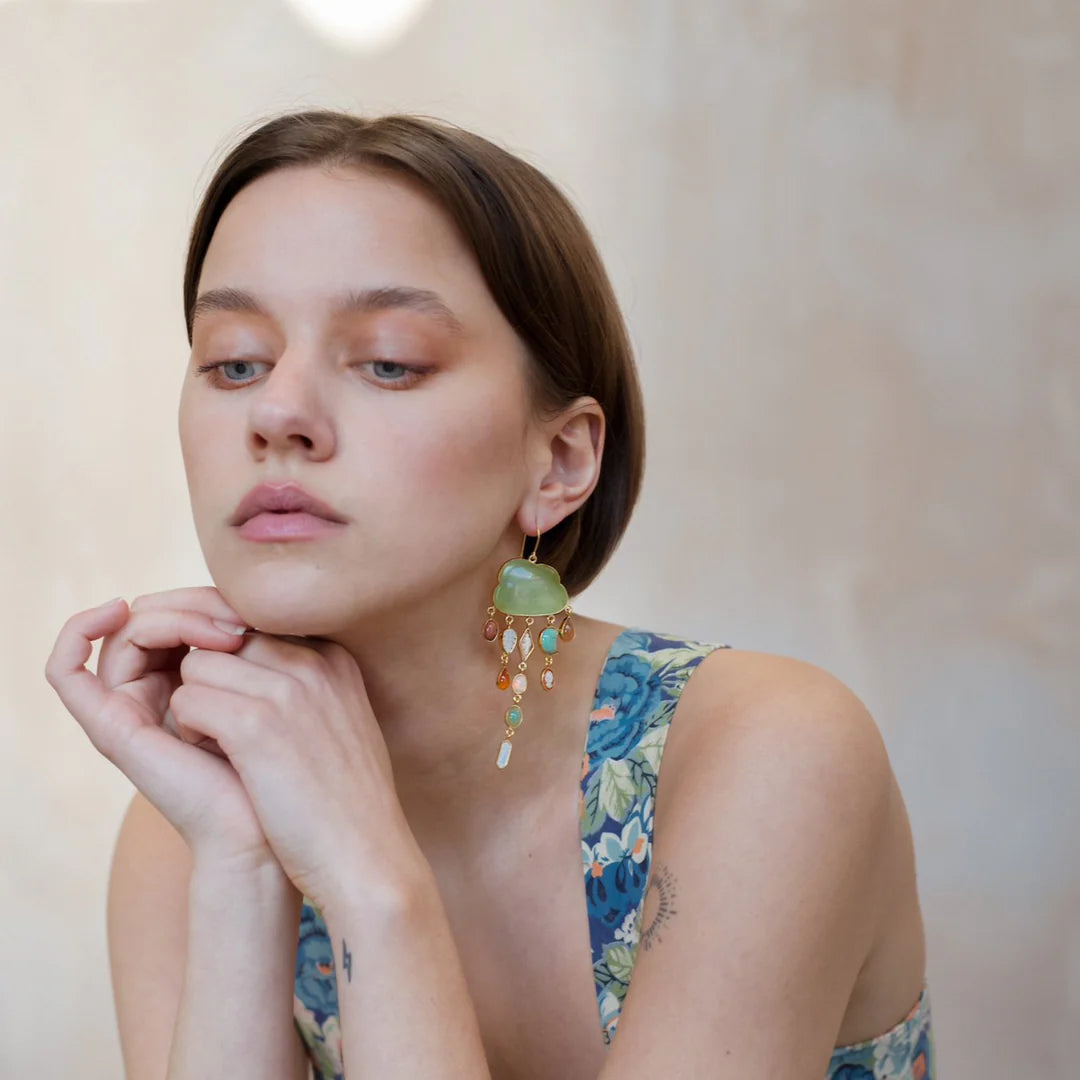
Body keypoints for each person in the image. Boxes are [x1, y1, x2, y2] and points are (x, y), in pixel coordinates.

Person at [45, 109, 934, 1080]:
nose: (277, 414)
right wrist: (246, 870)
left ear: (557, 459)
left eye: (389, 360)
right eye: (234, 362)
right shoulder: (195, 832)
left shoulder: (766, 757)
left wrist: (371, 881)